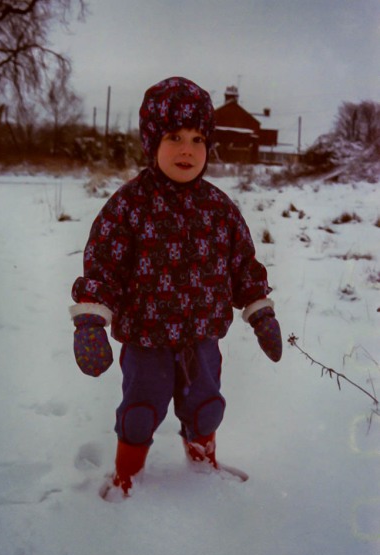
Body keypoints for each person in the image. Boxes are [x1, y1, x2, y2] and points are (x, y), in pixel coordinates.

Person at [69, 76, 282, 499]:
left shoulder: (219, 208)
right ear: (152, 143)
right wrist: (91, 320)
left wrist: (261, 312)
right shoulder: (129, 206)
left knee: (206, 407)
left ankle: (203, 468)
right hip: (146, 338)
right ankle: (128, 477)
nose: (187, 149)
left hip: (201, 336)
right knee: (140, 412)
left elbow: (243, 265)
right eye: (174, 136)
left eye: (198, 138)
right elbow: (104, 266)